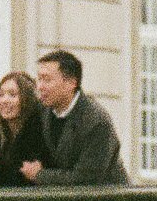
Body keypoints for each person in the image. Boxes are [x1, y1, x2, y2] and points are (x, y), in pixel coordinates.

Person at [21, 50, 128, 186]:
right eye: (39, 79)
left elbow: (85, 180)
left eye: (47, 80)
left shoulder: (97, 121)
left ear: (71, 83)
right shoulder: (42, 109)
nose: (40, 87)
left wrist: (39, 175)